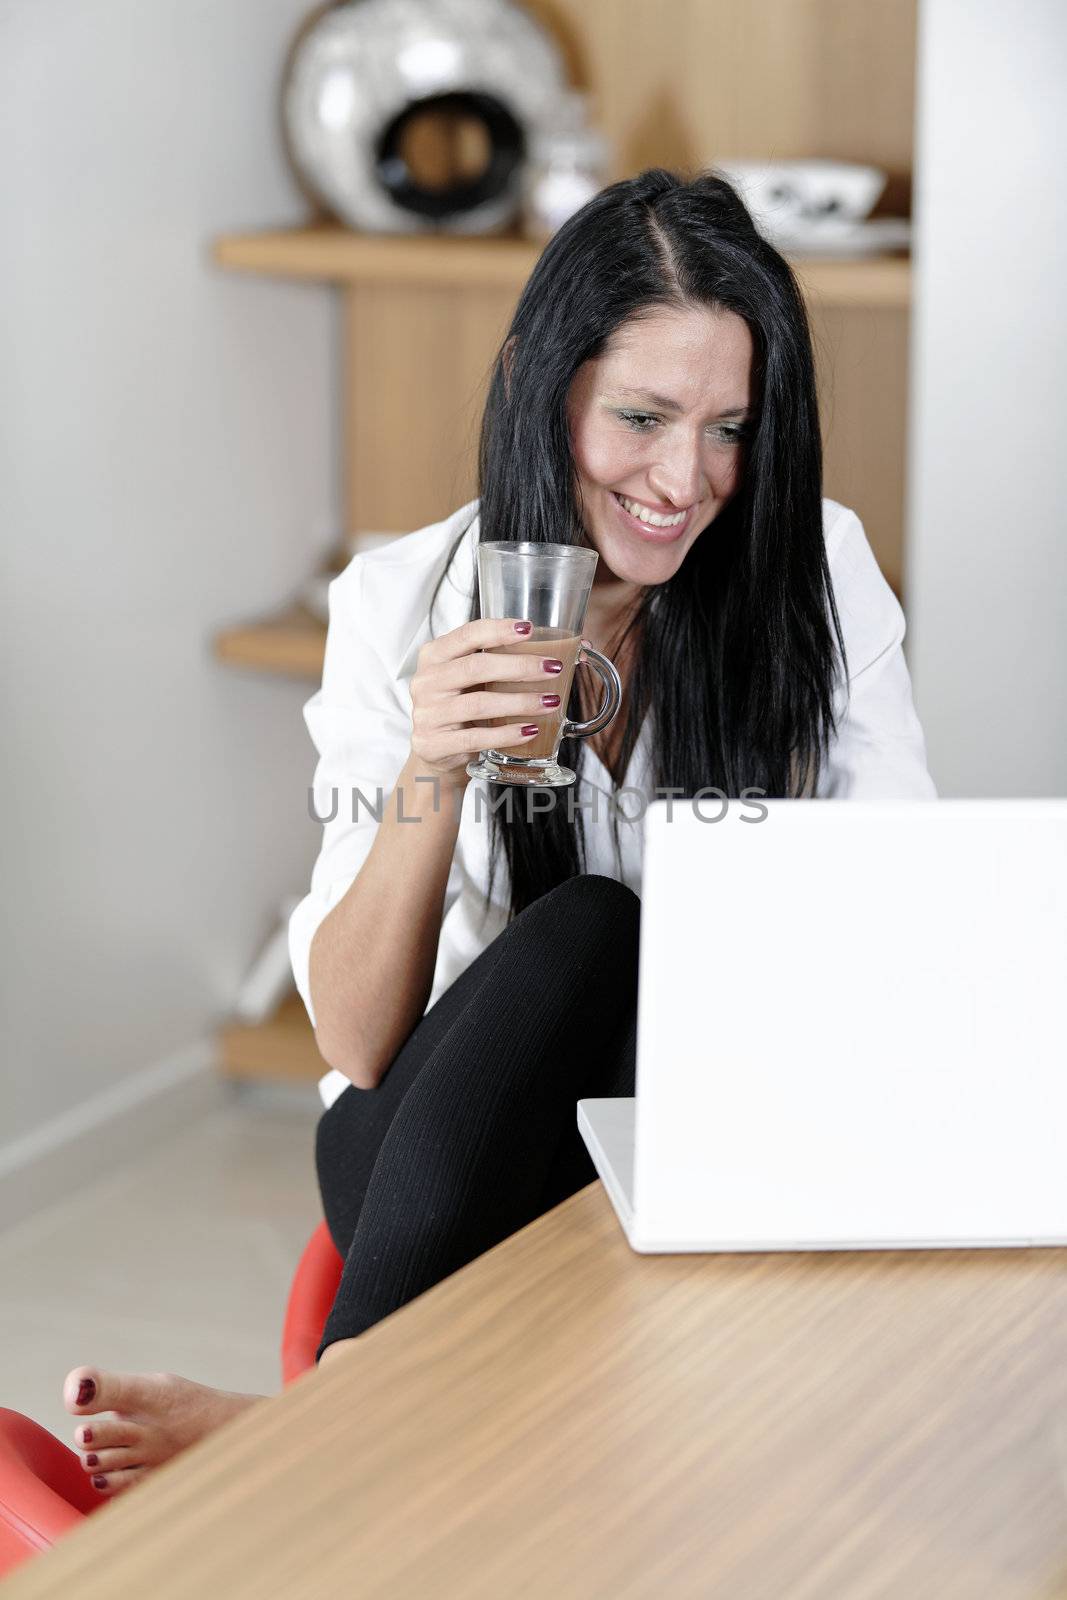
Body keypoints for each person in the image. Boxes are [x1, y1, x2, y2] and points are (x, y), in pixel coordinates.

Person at [60, 167, 935, 1496]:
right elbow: (356, 1041)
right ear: (548, 383)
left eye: (727, 429)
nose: (684, 480)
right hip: (449, 1158)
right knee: (589, 926)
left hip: (702, 1140)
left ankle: (320, 1428)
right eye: (641, 417)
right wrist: (432, 767)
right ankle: (352, 1407)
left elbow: (904, 908)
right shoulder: (401, 600)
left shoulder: (815, 580)